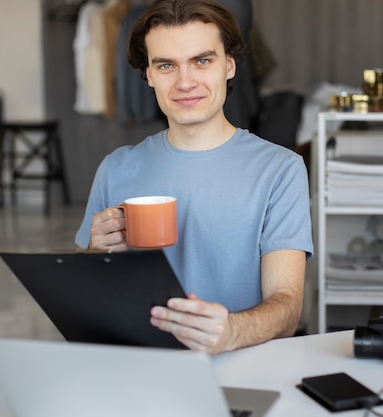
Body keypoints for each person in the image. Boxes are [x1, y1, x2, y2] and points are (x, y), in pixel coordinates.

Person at [75, 0, 313, 354]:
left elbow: (287, 307)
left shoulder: (280, 169)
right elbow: (88, 303)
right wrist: (98, 257)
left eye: (202, 61)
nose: (185, 82)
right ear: (149, 75)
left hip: (243, 366)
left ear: (229, 66)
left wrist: (231, 331)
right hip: (141, 366)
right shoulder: (115, 168)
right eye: (167, 65)